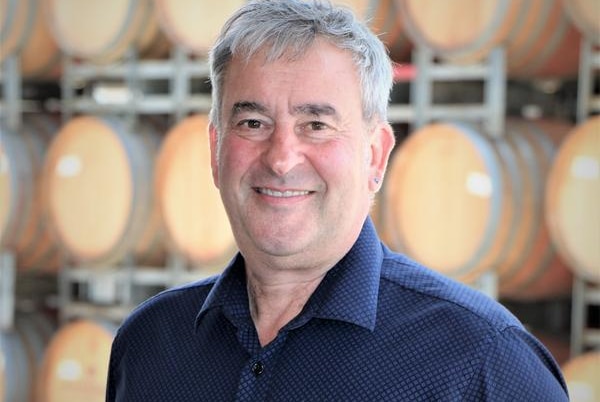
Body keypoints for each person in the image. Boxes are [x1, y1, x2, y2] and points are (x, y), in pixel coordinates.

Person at [106, 1, 569, 400]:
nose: (282, 159)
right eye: (253, 123)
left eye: (316, 125)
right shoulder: (149, 342)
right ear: (215, 150)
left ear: (375, 155)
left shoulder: (481, 359)